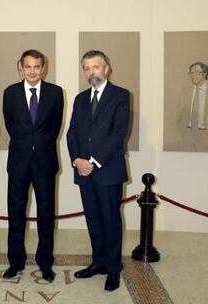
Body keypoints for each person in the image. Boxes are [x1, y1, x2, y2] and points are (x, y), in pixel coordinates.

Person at [66, 50, 130, 291]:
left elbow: (117, 134)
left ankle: (113, 268)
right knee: (93, 219)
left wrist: (92, 161)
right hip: (83, 170)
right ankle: (99, 262)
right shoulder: (80, 99)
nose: (91, 72)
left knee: (111, 220)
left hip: (107, 170)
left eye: (95, 67)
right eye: (86, 68)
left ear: (106, 69)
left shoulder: (121, 95)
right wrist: (77, 160)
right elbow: (72, 133)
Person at [2, 49, 64, 282]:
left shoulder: (55, 93)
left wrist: (38, 144)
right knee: (15, 214)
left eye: (36, 66)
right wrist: (26, 144)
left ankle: (45, 263)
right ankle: (15, 262)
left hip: (45, 163)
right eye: (27, 66)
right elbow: (10, 125)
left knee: (46, 215)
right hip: (18, 163)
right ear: (21, 68)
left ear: (43, 68)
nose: (32, 71)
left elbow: (55, 127)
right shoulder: (10, 93)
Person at [172, 61, 208, 152]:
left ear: (204, 74)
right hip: (187, 136)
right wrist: (182, 132)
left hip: (207, 135)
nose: (193, 76)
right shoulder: (186, 90)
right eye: (191, 73)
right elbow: (179, 113)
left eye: (196, 72)